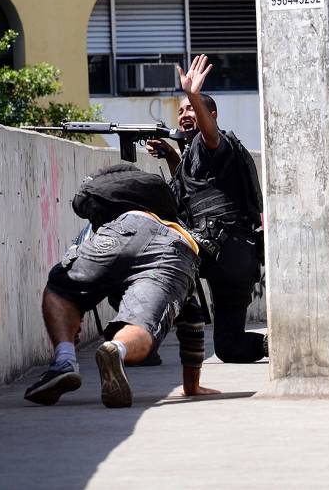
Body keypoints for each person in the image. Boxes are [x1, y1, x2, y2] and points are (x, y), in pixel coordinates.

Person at [24, 165, 219, 408]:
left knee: (61, 289)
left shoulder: (97, 226)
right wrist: (192, 386)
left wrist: (72, 322)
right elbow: (193, 321)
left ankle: (64, 360)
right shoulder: (175, 223)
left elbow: (70, 282)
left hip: (124, 228)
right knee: (143, 323)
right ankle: (116, 348)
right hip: (175, 246)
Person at [148, 54, 267, 364]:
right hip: (232, 256)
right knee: (229, 347)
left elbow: (210, 134)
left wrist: (193, 94)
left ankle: (137, 341)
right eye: (181, 111)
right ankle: (281, 344)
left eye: (191, 109)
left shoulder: (214, 142)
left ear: (210, 114)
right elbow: (193, 192)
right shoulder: (194, 154)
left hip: (222, 251)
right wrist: (171, 156)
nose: (185, 114)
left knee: (150, 263)